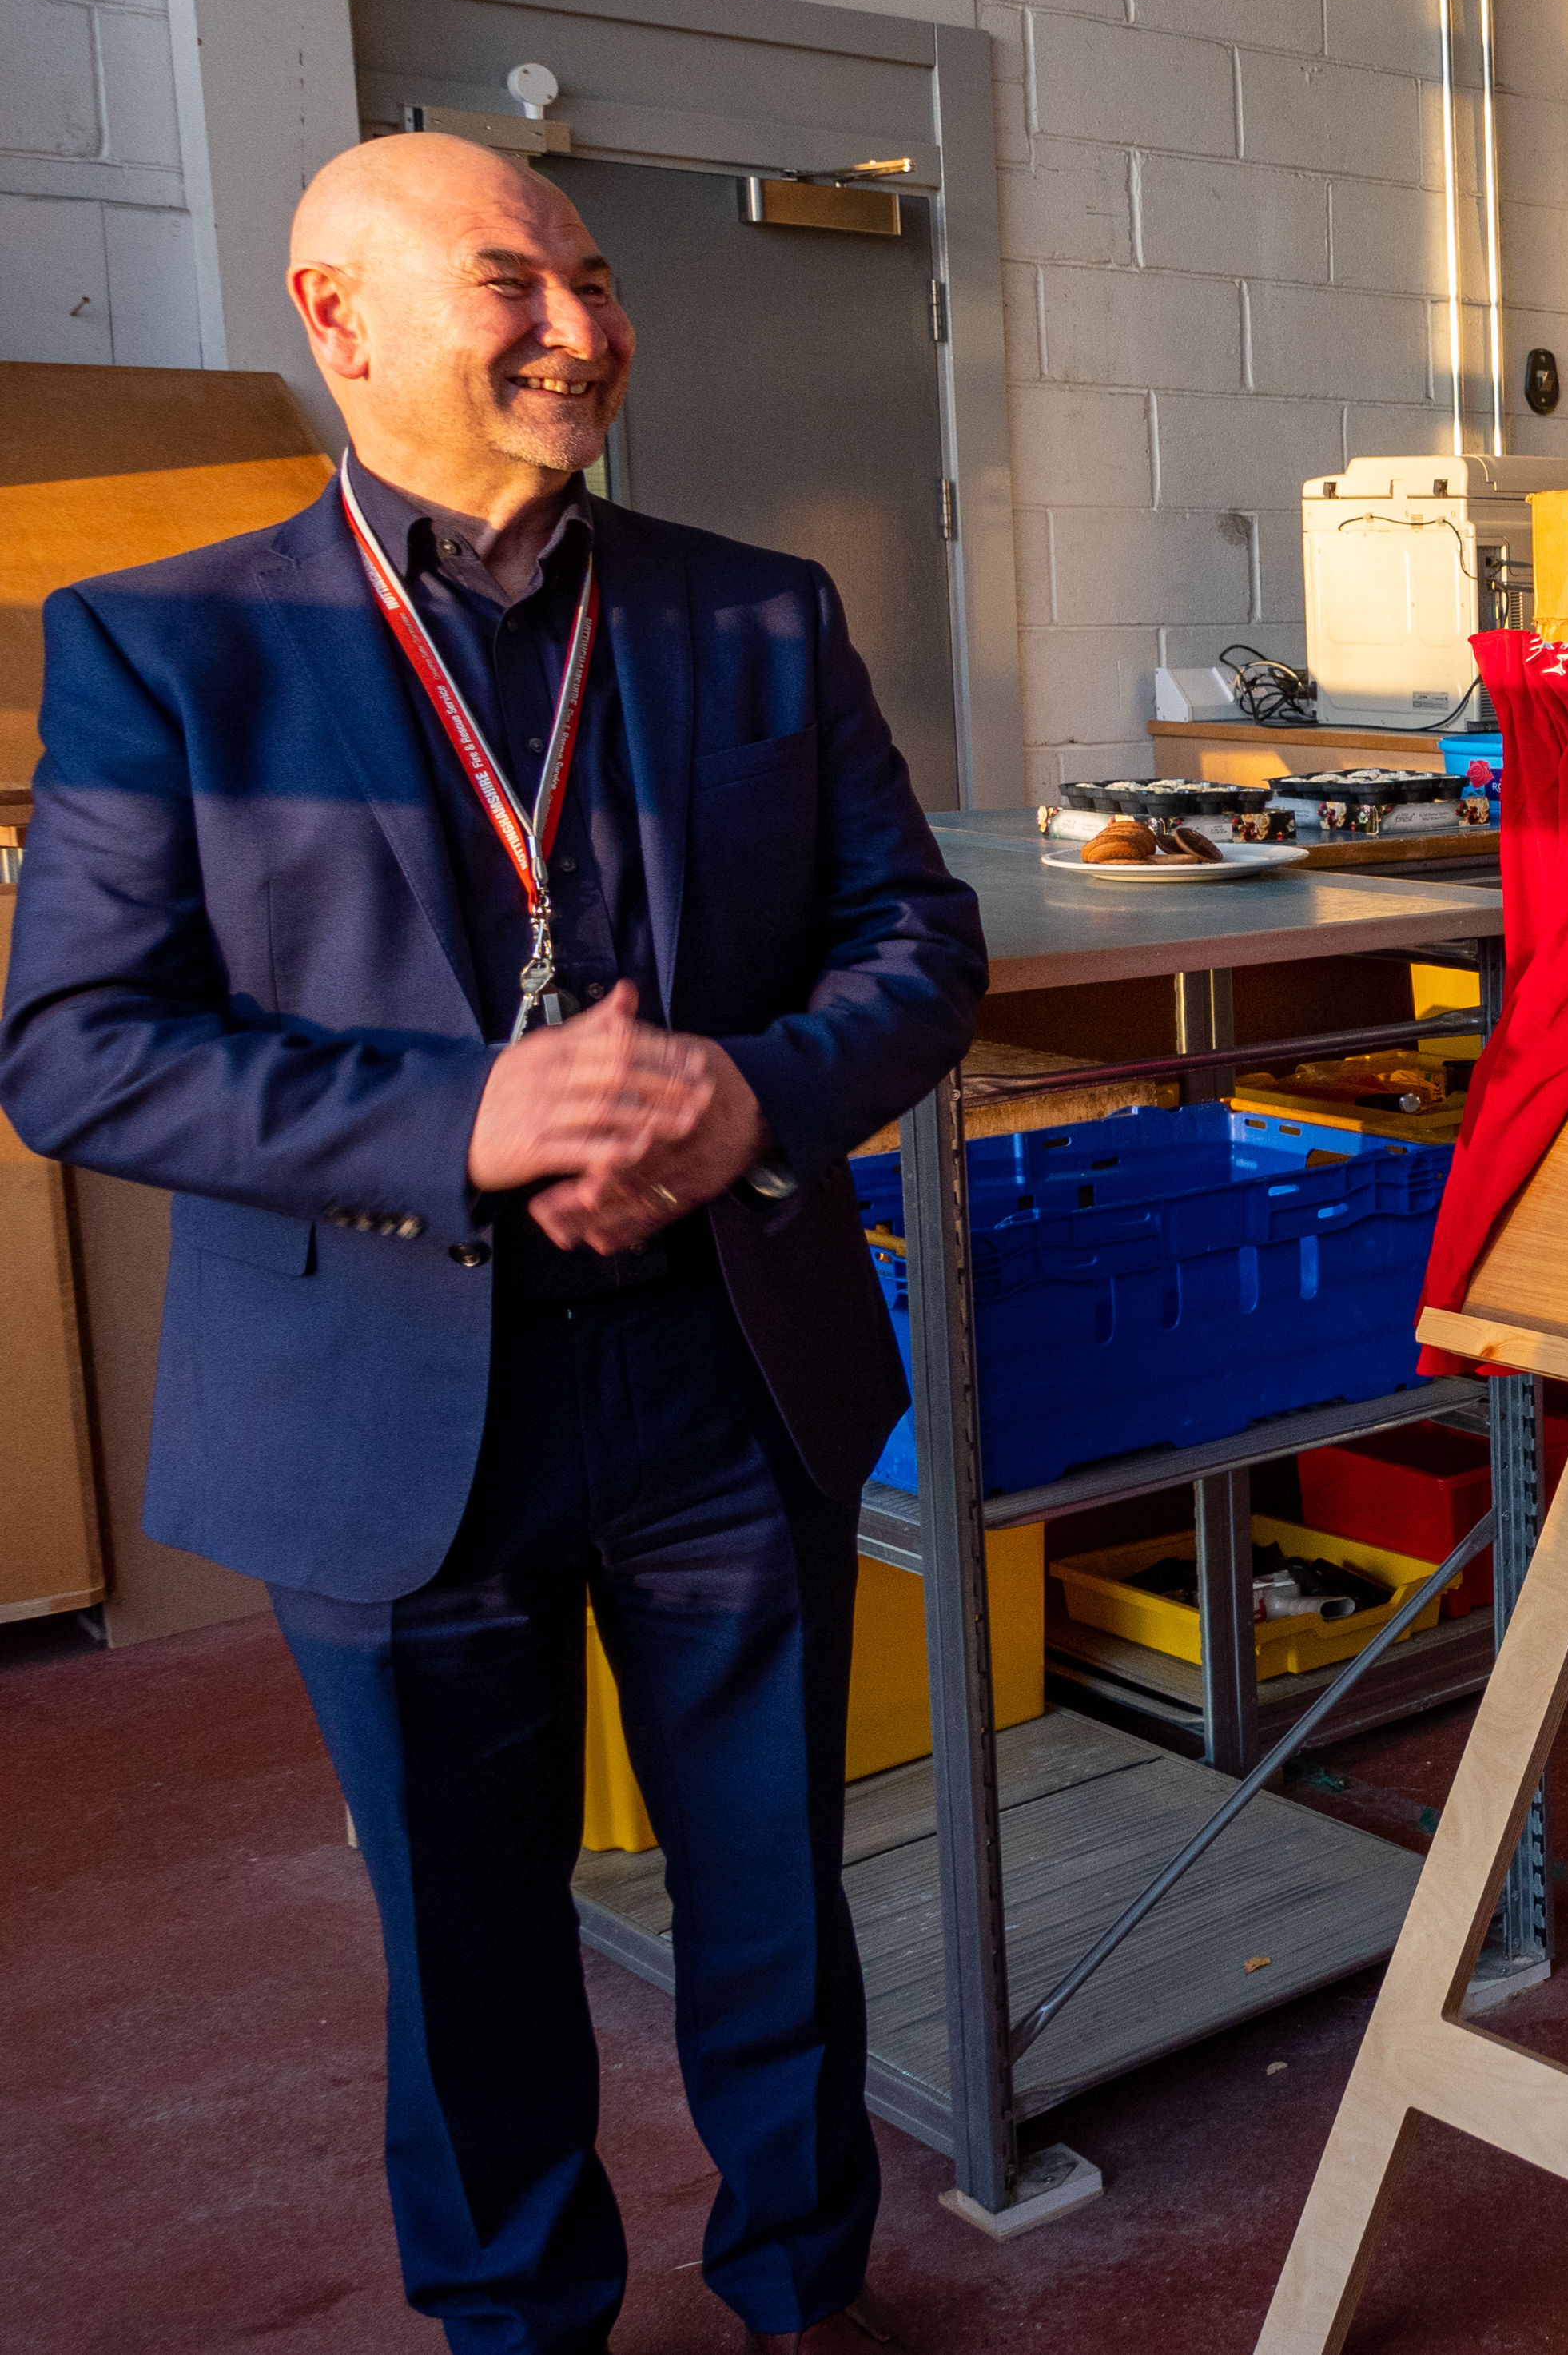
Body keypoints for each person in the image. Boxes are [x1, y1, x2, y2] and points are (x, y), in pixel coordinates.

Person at [0, 133, 988, 2354]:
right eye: (513, 280)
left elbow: (918, 942)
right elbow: (77, 1049)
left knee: (773, 1885)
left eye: (598, 278)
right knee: (466, 1928)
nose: (581, 325)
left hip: (720, 1368)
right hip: (387, 1407)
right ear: (335, 316)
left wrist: (752, 1092)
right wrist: (463, 1121)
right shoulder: (171, 649)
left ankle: (803, 2288)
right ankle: (519, 2320)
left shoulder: (755, 611)